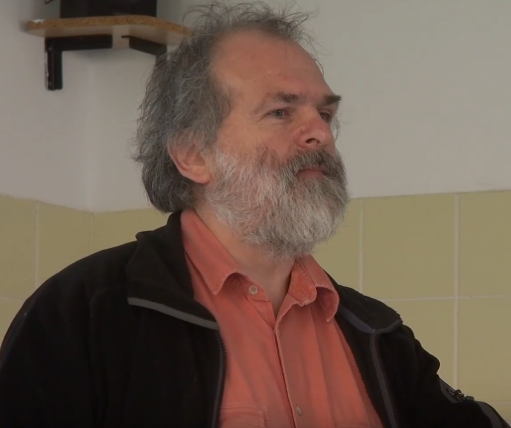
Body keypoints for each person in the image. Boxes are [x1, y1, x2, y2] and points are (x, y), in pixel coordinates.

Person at [0, 2, 508, 428]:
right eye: (281, 112)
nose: (320, 133)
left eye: (325, 113)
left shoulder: (377, 335)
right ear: (193, 154)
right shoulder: (83, 315)